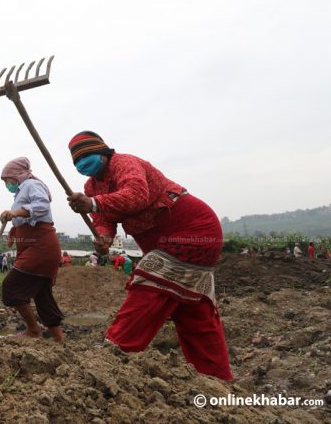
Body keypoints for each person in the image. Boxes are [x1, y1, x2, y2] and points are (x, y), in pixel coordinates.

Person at [66, 131, 232, 380]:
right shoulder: (91, 186)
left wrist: (93, 204)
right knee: (191, 308)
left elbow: (136, 194)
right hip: (160, 241)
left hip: (192, 230)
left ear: (104, 152)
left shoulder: (124, 163)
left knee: (150, 283)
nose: (83, 164)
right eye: (78, 161)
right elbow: (104, 220)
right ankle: (216, 376)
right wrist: (103, 237)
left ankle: (116, 350)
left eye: (88, 157)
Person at [0, 157, 64, 343]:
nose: (7, 184)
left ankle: (34, 329)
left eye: (7, 179)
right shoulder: (20, 192)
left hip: (41, 246)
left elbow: (42, 207)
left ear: (17, 175)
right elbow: (25, 219)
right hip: (33, 245)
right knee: (42, 294)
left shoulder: (31, 185)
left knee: (10, 286)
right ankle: (59, 340)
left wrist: (14, 213)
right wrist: (14, 228)